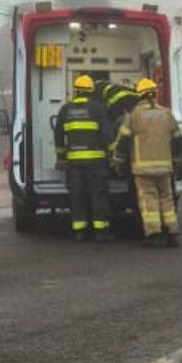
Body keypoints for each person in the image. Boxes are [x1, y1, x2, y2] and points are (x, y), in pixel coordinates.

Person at [115, 77, 182, 248]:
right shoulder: (167, 113)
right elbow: (178, 139)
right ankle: (172, 232)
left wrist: (117, 161)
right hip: (165, 167)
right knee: (167, 200)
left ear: (138, 96)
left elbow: (123, 140)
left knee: (149, 201)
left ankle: (154, 234)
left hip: (143, 169)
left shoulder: (133, 116)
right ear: (155, 93)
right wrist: (176, 161)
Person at [55, 74, 113, 242]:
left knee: (78, 196)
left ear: (77, 91)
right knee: (98, 195)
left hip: (74, 163)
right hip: (96, 162)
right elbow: (106, 134)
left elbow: (58, 134)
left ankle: (80, 232)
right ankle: (101, 232)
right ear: (91, 91)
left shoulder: (65, 110)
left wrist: (61, 157)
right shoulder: (98, 108)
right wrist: (113, 154)